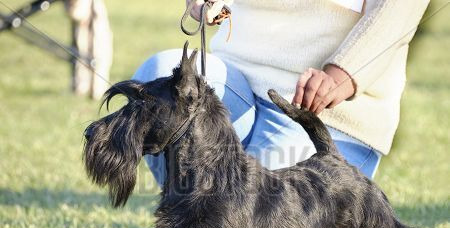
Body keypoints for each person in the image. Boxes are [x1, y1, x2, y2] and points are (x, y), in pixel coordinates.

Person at [133, 0, 429, 185]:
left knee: (263, 216)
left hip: (321, 109)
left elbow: (401, 9)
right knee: (158, 78)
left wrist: (345, 72)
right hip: (237, 83)